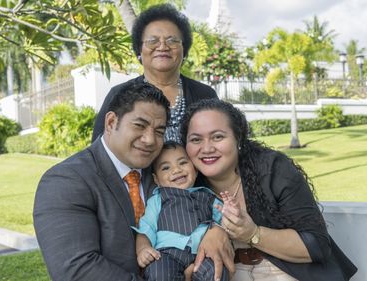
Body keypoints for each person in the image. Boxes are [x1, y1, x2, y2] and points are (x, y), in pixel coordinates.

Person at [33, 83, 233, 281]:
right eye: (139, 125)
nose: (149, 140)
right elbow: (76, 270)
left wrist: (216, 231)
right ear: (111, 123)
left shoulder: (161, 171)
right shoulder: (65, 181)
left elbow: (199, 203)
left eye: (159, 131)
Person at [180, 99, 358, 281]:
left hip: (287, 272)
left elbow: (316, 245)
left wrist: (252, 234)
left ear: (238, 139)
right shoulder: (184, 184)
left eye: (218, 137)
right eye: (196, 139)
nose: (207, 148)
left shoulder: (272, 170)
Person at [92, 3, 217, 143]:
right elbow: (99, 150)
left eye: (172, 40)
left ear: (184, 49)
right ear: (139, 50)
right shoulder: (120, 94)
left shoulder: (205, 95)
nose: (163, 46)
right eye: (152, 41)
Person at [134, 142, 228, 281]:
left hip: (204, 253)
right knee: (159, 273)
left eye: (183, 163)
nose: (176, 170)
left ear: (195, 170)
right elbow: (146, 228)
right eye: (166, 168)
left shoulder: (207, 196)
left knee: (216, 273)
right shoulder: (158, 198)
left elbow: (225, 220)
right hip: (167, 254)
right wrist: (142, 249)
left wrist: (229, 211)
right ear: (156, 179)